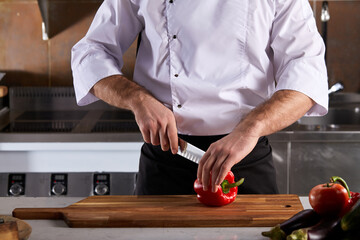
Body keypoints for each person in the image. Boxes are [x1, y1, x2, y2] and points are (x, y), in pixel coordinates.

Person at [71, 0, 328, 195]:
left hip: (244, 160)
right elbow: (91, 51)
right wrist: (138, 99)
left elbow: (307, 72)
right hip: (166, 157)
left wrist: (252, 128)